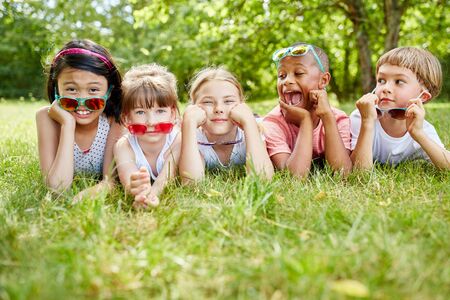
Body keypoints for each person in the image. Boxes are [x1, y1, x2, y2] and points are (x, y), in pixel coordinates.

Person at [36, 39, 123, 199]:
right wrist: (67, 124)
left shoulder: (114, 121)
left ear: (109, 91)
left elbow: (110, 182)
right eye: (71, 89)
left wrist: (84, 196)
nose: (82, 102)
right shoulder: (46, 118)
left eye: (93, 90)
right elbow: (57, 188)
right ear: (56, 88)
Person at [350, 47, 449, 169]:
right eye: (381, 80)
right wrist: (367, 122)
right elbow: (360, 174)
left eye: (399, 81)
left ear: (423, 96)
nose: (386, 88)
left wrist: (418, 134)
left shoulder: (423, 129)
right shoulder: (361, 116)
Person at [263, 42, 352, 178]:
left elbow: (341, 172)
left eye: (298, 73)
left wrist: (327, 117)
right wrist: (305, 120)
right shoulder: (273, 122)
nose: (287, 81)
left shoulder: (338, 119)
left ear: (323, 80)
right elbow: (294, 177)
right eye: (281, 76)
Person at [179, 67, 274, 182]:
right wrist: (189, 124)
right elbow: (191, 183)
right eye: (208, 102)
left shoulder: (253, 130)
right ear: (194, 108)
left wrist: (249, 122)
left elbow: (262, 179)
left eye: (228, 101)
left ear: (241, 106)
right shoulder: (194, 138)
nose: (219, 109)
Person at [113, 64, 181, 208]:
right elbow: (129, 182)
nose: (151, 122)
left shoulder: (178, 140)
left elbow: (167, 177)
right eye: (140, 112)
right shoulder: (124, 146)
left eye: (160, 111)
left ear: (173, 114)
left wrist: (153, 195)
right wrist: (139, 193)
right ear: (126, 118)